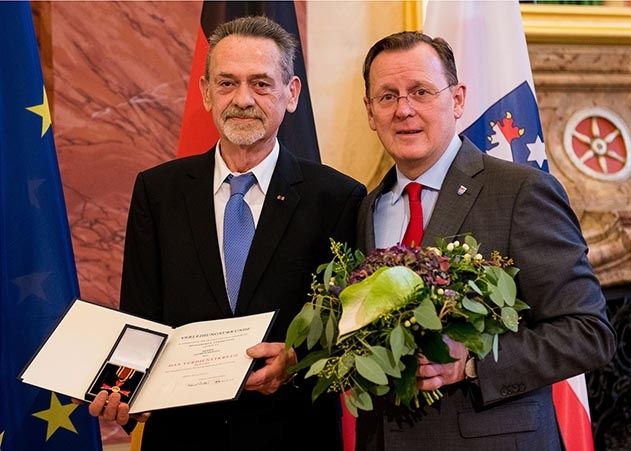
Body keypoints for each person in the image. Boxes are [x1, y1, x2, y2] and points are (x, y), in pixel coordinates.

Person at [87, 16, 365, 450]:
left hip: (293, 435)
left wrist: (294, 362)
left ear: (291, 94)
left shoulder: (338, 197)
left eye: (261, 83)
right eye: (227, 83)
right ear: (205, 92)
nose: (243, 99)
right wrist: (123, 393)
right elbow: (140, 314)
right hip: (183, 437)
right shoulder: (158, 190)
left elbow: (350, 328)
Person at [355, 31, 616, 450]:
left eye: (420, 91)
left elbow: (588, 333)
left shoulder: (521, 191)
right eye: (387, 96)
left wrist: (474, 363)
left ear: (457, 99)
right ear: (370, 112)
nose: (403, 109)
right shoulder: (367, 208)